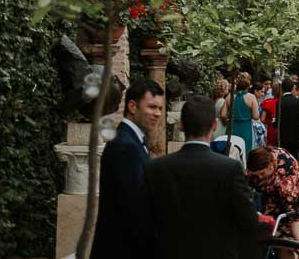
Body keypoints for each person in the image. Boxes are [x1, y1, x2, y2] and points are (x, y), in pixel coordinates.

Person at [144, 95, 260, 259]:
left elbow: (145, 221)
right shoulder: (229, 168)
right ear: (214, 126)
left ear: (181, 125)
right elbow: (249, 221)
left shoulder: (155, 168)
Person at [92, 80, 164, 259]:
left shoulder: (130, 140)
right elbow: (135, 209)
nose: (158, 114)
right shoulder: (126, 146)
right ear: (132, 106)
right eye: (152, 107)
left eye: (160, 109)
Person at [246, 146, 299, 245]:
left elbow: (292, 211)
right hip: (273, 199)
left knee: (280, 240)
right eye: (256, 175)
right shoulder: (260, 160)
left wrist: (298, 240)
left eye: (262, 173)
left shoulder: (285, 176)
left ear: (270, 166)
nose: (259, 177)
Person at [220, 72, 259, 153]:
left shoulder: (229, 96)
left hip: (232, 127)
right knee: (244, 151)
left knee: (230, 150)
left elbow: (223, 114)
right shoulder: (251, 97)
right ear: (248, 84)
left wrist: (229, 119)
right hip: (245, 127)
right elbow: (256, 116)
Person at [276, 78, 299, 161]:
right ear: (293, 88)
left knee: (283, 157)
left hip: (283, 135)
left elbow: (278, 120)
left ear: (282, 88)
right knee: (294, 157)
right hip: (295, 136)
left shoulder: (279, 102)